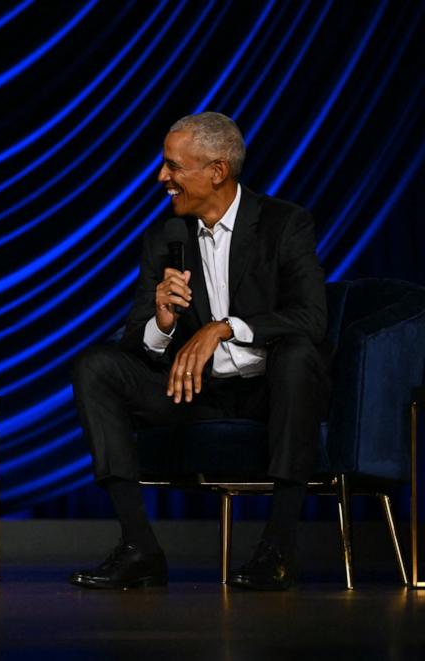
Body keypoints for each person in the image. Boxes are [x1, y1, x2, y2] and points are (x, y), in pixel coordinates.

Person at [70, 112, 329, 591]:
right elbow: (135, 341)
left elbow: (312, 318)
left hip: (265, 391)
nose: (162, 178)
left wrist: (223, 328)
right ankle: (139, 547)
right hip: (192, 392)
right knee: (96, 366)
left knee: (298, 357)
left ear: (217, 170)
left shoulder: (284, 223)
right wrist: (162, 323)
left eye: (173, 167)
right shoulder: (164, 237)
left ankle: (277, 548)